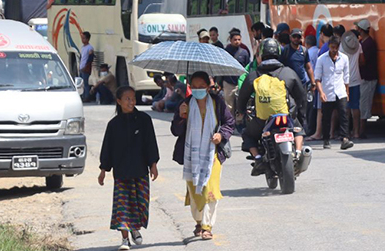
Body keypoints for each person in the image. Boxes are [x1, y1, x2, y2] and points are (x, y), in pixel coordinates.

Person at [171, 71, 235, 241]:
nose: (198, 90)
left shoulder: (217, 102)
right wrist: (181, 116)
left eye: (202, 87)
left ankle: (207, 226)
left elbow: (229, 123)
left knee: (210, 189)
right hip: (191, 155)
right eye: (195, 87)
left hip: (212, 153)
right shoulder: (185, 104)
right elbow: (175, 131)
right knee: (194, 190)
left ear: (208, 87)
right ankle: (199, 222)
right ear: (190, 87)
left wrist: (221, 135)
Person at [98, 86, 160, 251]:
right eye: (127, 99)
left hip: (140, 171)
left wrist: (153, 164)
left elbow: (150, 143)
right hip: (121, 172)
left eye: (133, 98)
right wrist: (103, 169)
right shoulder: (113, 125)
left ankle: (135, 228)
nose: (131, 102)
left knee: (140, 204)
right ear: (119, 101)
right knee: (123, 206)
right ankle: (125, 240)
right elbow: (107, 148)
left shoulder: (144, 120)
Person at [238, 38, 309, 166]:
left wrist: (242, 111)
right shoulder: (288, 72)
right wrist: (299, 114)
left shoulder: (253, 75)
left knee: (248, 134)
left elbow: (242, 98)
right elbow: (302, 96)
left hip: (261, 120)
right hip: (286, 116)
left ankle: (258, 157)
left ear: (261, 55)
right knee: (298, 129)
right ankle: (298, 152)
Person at [314, 36, 355, 150]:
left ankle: (345, 138)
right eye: (332, 47)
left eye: (336, 48)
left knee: (343, 115)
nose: (334, 50)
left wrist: (347, 92)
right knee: (326, 117)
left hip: (340, 91)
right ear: (329, 46)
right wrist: (321, 92)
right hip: (327, 91)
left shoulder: (344, 58)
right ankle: (326, 139)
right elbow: (317, 78)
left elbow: (346, 76)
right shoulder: (321, 59)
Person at [340, 27, 364, 143]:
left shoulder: (341, 48)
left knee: (346, 107)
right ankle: (356, 131)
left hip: (345, 81)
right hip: (356, 79)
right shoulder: (359, 46)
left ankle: (346, 132)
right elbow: (362, 61)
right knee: (356, 107)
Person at [356, 19, 378, 139]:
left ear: (360, 30)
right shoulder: (363, 42)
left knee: (364, 105)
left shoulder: (368, 44)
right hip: (363, 78)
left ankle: (361, 131)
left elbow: (363, 62)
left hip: (368, 79)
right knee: (361, 104)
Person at [78, 31, 96, 100]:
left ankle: (87, 97)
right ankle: (82, 95)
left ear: (88, 39)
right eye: (82, 38)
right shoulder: (82, 47)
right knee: (81, 84)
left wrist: (85, 67)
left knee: (86, 83)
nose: (82, 40)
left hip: (85, 68)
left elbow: (90, 59)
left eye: (84, 38)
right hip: (81, 67)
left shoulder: (90, 48)